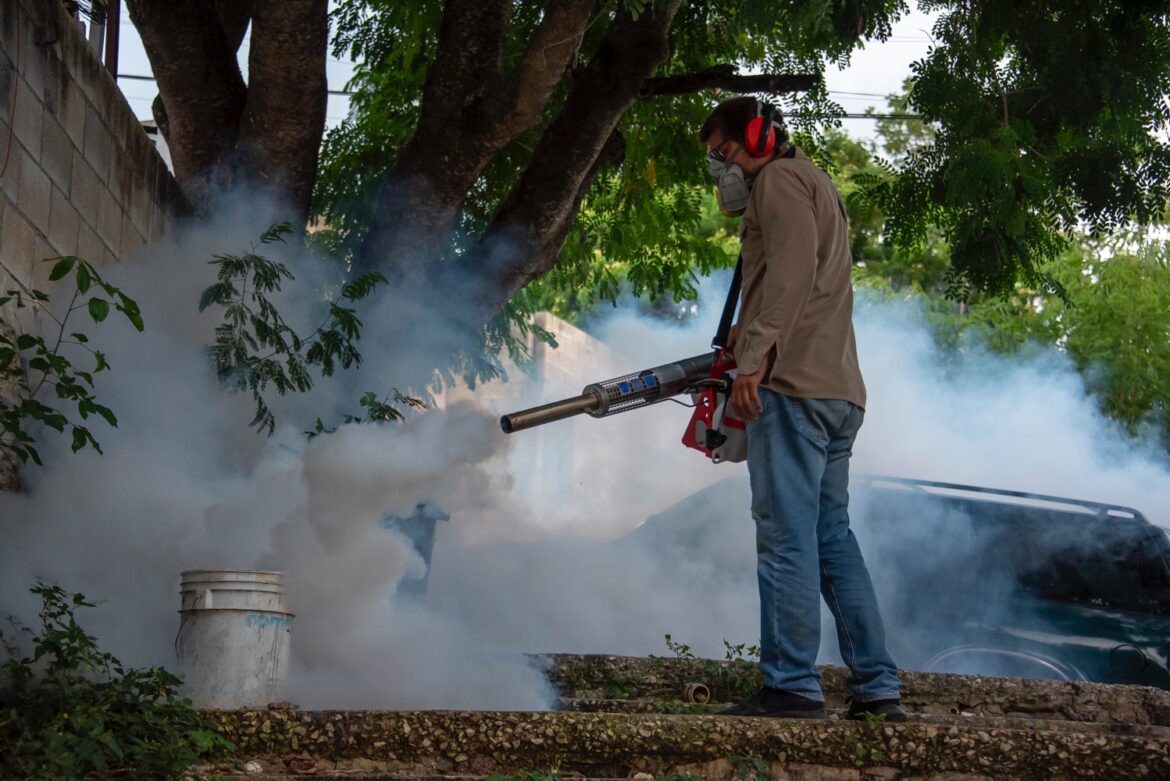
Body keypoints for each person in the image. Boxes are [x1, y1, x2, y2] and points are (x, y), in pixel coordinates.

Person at [700, 96, 906, 721]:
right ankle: (876, 689)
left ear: (758, 137)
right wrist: (744, 335)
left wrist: (755, 357)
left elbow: (788, 278)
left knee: (787, 541)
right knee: (829, 540)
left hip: (792, 389)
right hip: (836, 390)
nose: (720, 168)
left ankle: (790, 685)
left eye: (724, 152)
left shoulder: (781, 182)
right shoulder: (813, 180)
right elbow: (803, 284)